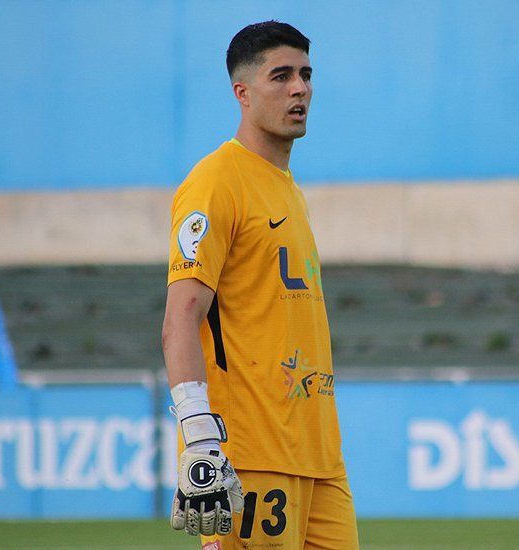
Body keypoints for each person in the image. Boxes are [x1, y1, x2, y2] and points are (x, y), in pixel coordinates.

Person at [161, 20, 359, 550]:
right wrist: (200, 439)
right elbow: (181, 317)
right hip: (251, 456)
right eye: (282, 76)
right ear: (242, 93)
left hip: (319, 459)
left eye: (306, 74)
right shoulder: (215, 181)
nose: (300, 88)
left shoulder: (287, 191)